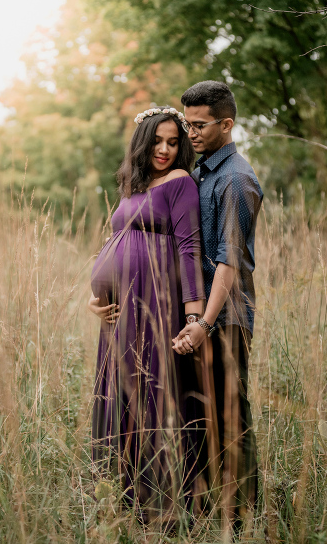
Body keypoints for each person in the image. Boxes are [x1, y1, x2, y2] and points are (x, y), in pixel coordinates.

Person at [88, 106, 207, 523]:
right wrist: (96, 297)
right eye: (157, 141)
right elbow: (114, 241)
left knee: (153, 387)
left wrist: (194, 318)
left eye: (174, 142)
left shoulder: (180, 183)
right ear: (143, 142)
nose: (165, 149)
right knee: (122, 388)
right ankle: (120, 491)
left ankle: (163, 502)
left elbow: (190, 249)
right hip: (118, 313)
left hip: (155, 300)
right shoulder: (134, 184)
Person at [172, 81, 262, 532]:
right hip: (202, 320)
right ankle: (208, 512)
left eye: (200, 124)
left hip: (224, 319)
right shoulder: (204, 171)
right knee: (203, 416)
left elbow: (228, 264)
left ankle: (243, 520)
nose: (191, 132)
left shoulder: (235, 179)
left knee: (231, 417)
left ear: (226, 124)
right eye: (187, 123)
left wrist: (204, 323)